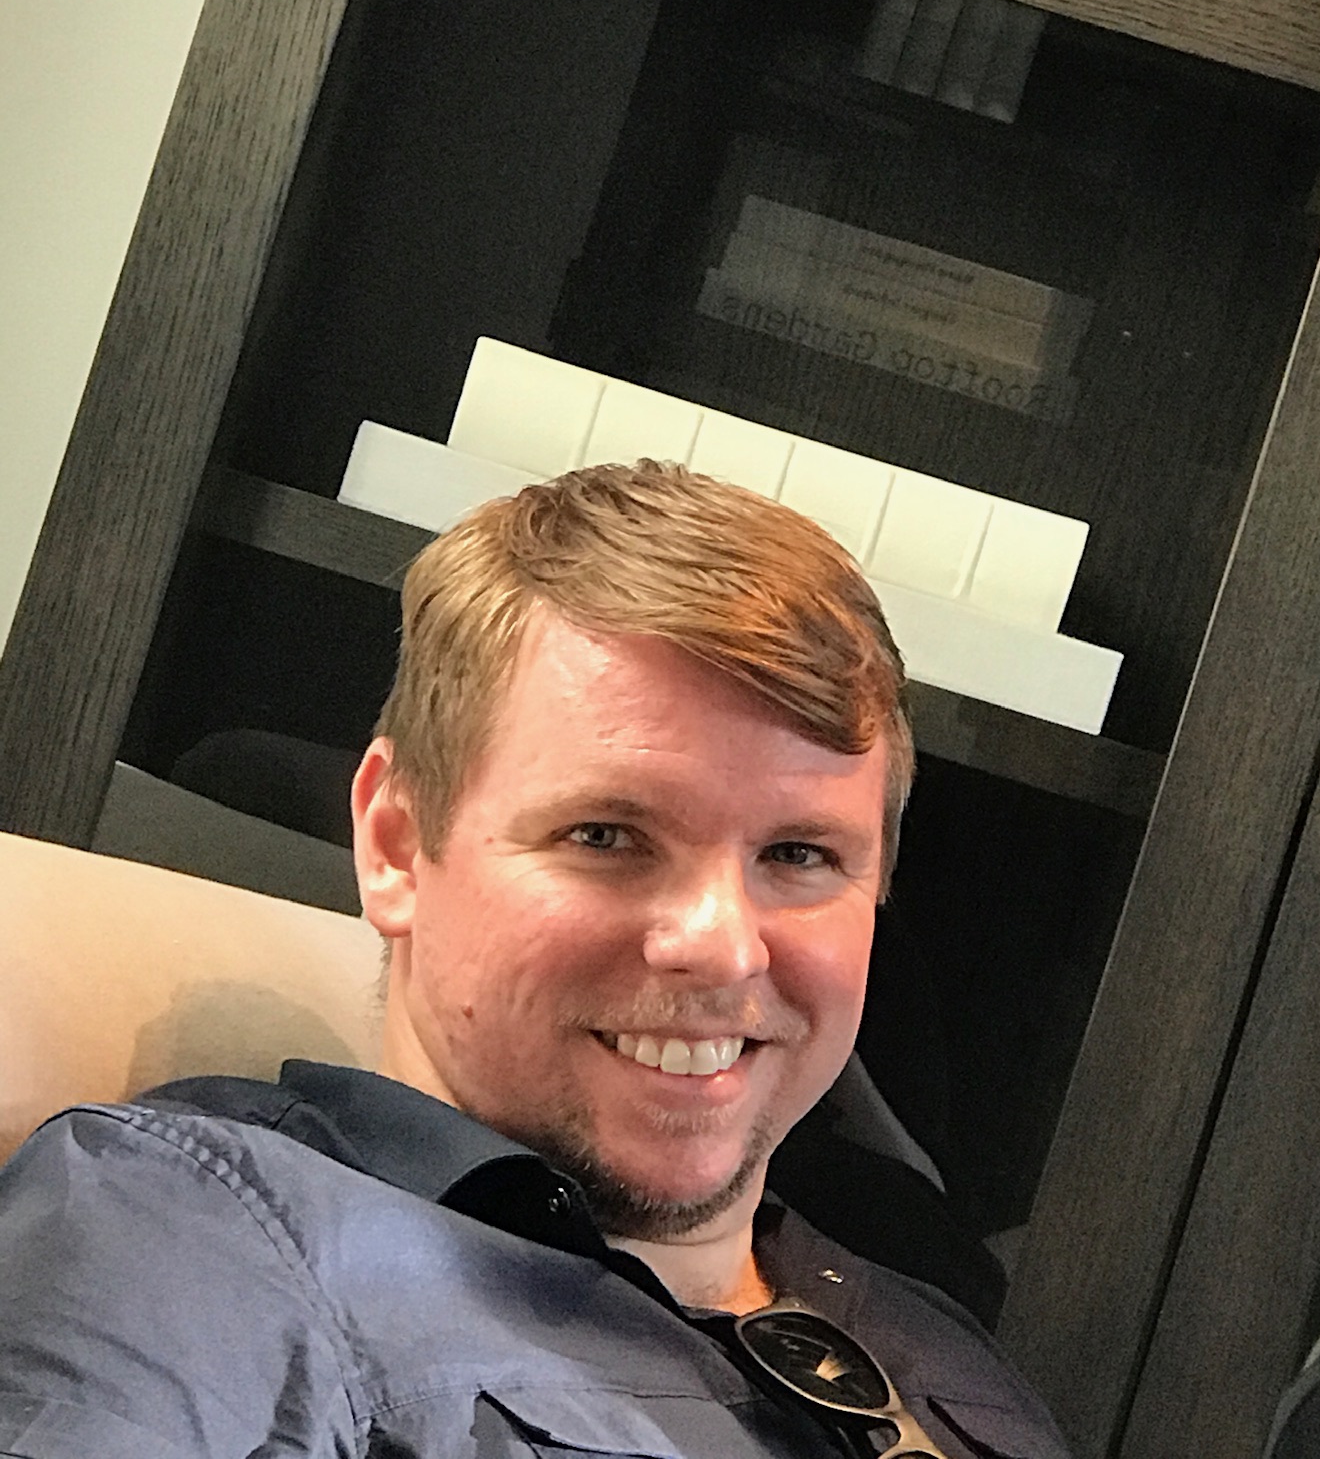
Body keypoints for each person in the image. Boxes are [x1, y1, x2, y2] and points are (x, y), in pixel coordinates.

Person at [0, 461, 1069, 1458]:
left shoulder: (930, 1334)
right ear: (395, 843)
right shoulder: (195, 1242)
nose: (720, 943)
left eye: (799, 853)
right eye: (606, 834)